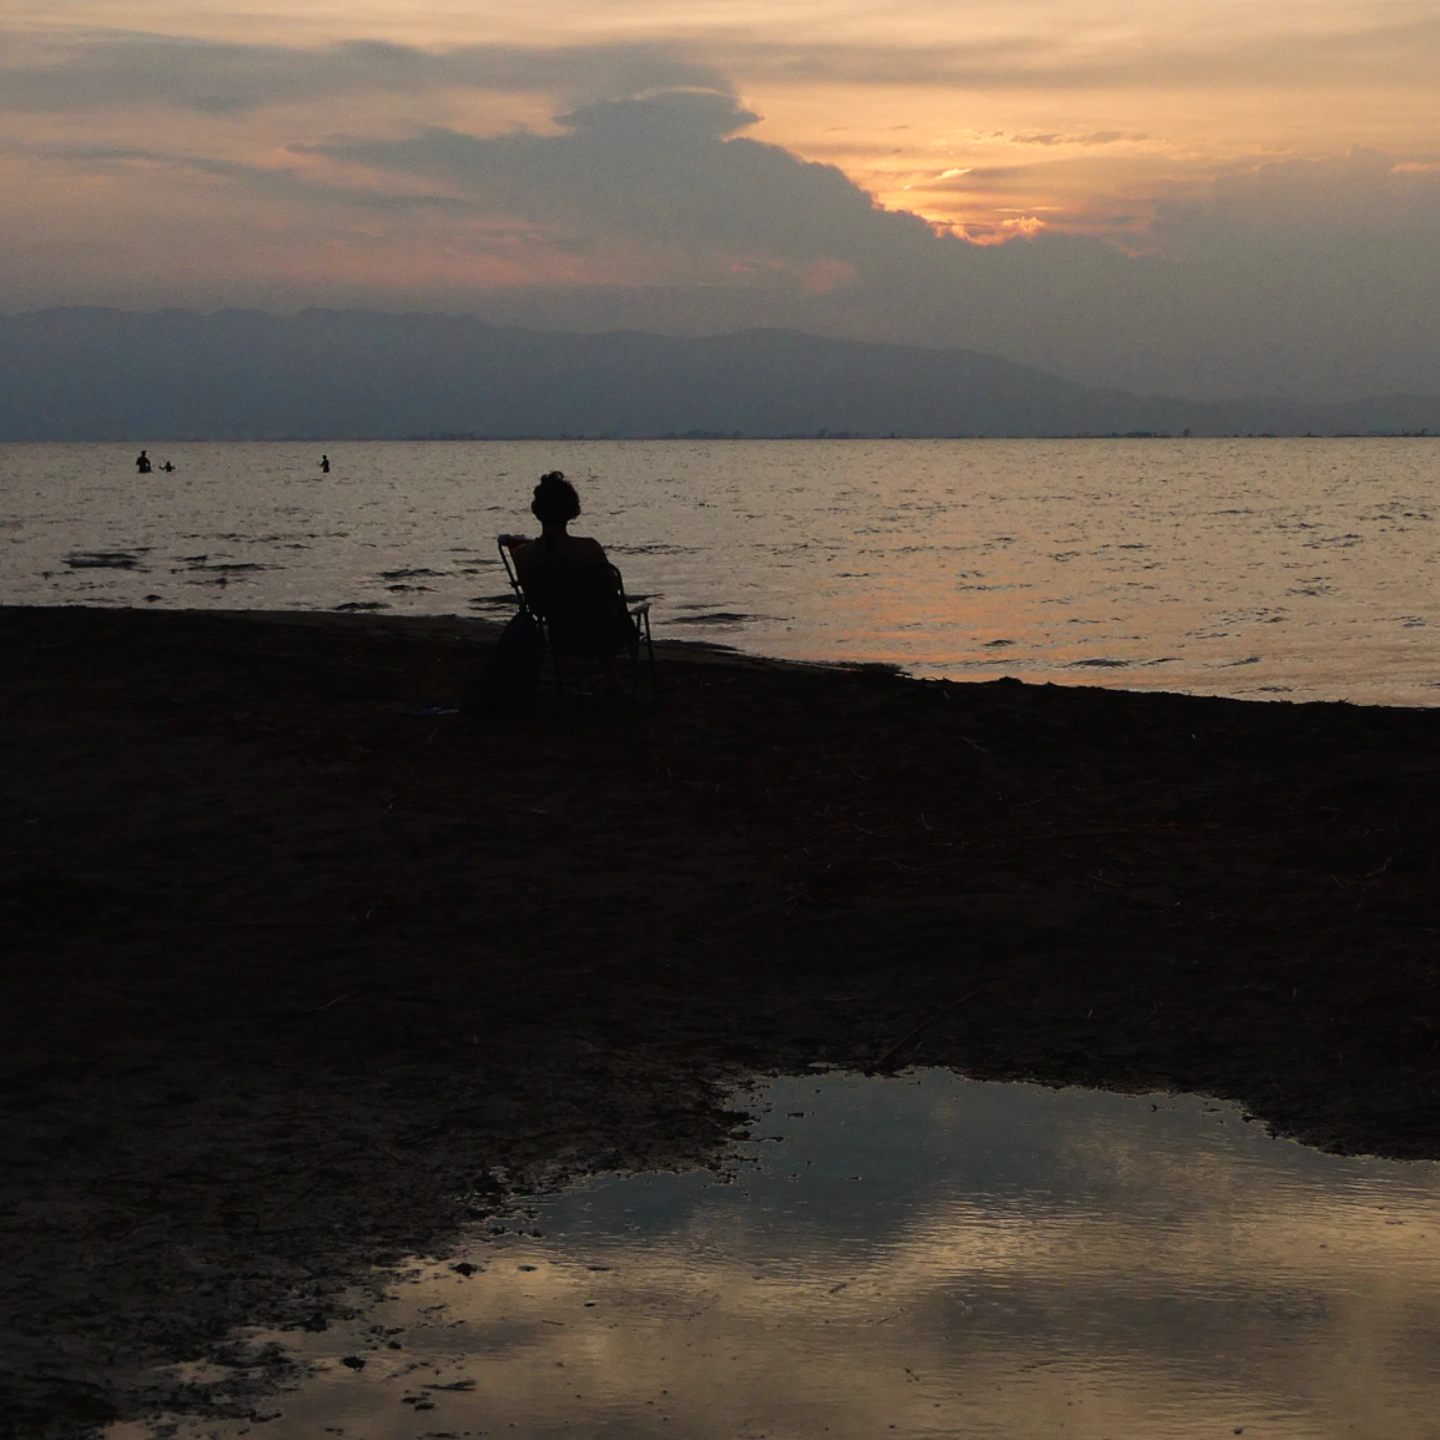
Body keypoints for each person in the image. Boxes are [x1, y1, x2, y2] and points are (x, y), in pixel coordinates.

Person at [508, 471, 632, 690]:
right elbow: (612, 587)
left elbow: (533, 601)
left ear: (538, 511)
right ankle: (614, 680)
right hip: (600, 627)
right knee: (608, 608)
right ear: (571, 511)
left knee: (570, 611)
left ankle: (561, 677)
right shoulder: (589, 548)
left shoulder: (524, 555)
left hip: (559, 627)